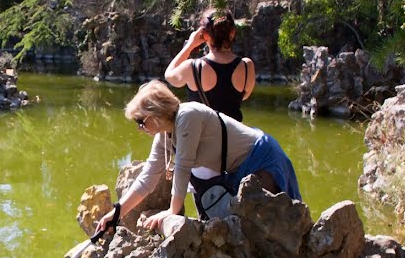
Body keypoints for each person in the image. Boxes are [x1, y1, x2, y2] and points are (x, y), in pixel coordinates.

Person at [96, 80, 301, 234]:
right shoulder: (164, 135)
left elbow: (183, 168)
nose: (140, 129)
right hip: (239, 171)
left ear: (154, 115)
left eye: (140, 121)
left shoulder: (187, 115)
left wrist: (171, 211)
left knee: (277, 228)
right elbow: (147, 178)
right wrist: (116, 213)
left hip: (261, 158)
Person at [164, 7, 255, 123]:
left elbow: (169, 76)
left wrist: (190, 45)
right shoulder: (247, 66)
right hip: (233, 138)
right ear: (232, 33)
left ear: (205, 35)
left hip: (201, 139)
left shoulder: (193, 67)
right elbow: (243, 97)